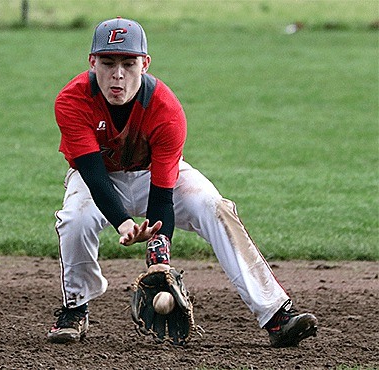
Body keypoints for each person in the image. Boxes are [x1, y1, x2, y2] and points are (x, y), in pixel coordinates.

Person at [47, 16, 318, 347]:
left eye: (128, 63)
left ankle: (277, 315)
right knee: (75, 219)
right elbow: (92, 175)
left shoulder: (165, 108)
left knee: (214, 207)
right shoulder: (72, 100)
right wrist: (122, 224)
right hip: (101, 178)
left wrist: (159, 261)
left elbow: (163, 193)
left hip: (154, 175)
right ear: (92, 63)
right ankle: (75, 309)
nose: (118, 74)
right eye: (108, 62)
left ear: (145, 64)